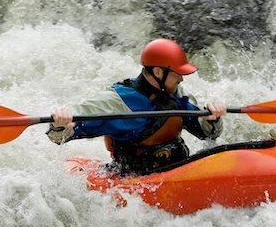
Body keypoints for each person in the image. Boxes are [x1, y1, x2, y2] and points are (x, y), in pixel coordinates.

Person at [47, 38, 226, 174]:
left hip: (175, 169)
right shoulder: (118, 101)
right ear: (158, 72)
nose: (181, 78)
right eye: (177, 74)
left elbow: (207, 134)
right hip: (135, 179)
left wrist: (212, 118)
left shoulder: (176, 93)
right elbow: (68, 130)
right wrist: (60, 124)